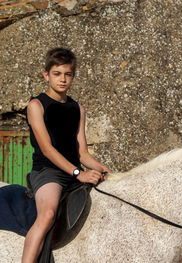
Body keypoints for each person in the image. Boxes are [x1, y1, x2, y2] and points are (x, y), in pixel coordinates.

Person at [22, 48, 112, 263]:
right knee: (48, 215)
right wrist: (78, 173)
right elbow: (47, 149)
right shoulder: (36, 105)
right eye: (57, 73)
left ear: (73, 76)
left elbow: (83, 153)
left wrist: (107, 170)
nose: (63, 79)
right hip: (48, 173)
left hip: (74, 172)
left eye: (68, 74)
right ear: (46, 75)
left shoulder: (77, 109)